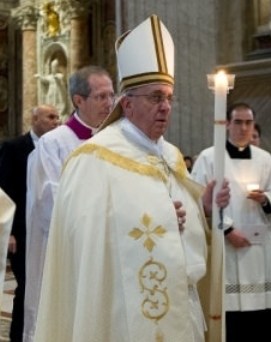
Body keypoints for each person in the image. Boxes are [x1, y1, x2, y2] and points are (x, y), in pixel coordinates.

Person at [33, 15, 230, 342]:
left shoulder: (171, 156)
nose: (165, 106)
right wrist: (163, 219)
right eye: (155, 97)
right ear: (127, 103)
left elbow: (187, 233)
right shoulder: (93, 158)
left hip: (182, 309)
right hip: (121, 314)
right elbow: (86, 239)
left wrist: (203, 210)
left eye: (169, 97)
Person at [23, 66, 114, 342]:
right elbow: (50, 201)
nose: (109, 103)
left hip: (109, 249)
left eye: (112, 95)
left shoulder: (117, 142)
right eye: (100, 97)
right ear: (78, 100)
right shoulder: (53, 144)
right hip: (68, 251)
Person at [192, 103, 271, 342]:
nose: (244, 128)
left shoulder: (265, 158)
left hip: (257, 250)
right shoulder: (210, 157)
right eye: (238, 122)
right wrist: (228, 229)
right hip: (226, 248)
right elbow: (199, 199)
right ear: (227, 124)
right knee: (231, 321)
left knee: (258, 322)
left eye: (248, 123)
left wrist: (265, 199)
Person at [0, 104, 59, 342]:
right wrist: (10, 232)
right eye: (50, 117)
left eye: (58, 117)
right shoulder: (14, 147)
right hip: (23, 233)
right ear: (34, 119)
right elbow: (5, 188)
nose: (56, 121)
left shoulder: (55, 148)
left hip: (47, 230)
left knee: (47, 288)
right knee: (26, 288)